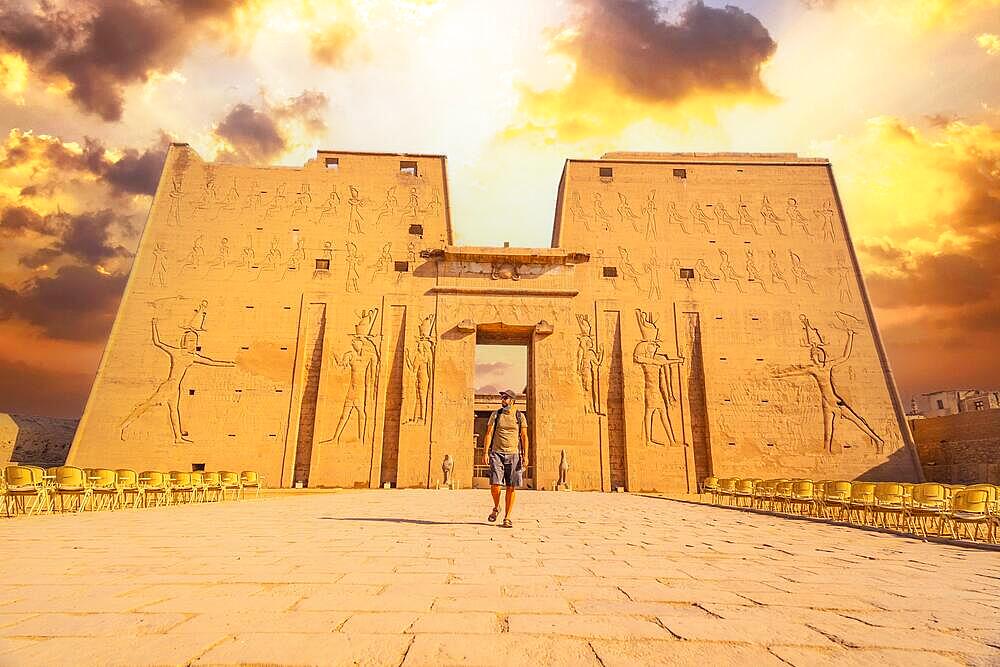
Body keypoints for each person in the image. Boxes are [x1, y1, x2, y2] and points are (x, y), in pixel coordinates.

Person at [483, 389, 528, 528]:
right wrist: (485, 452)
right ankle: (497, 507)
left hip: (513, 454)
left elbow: (524, 437)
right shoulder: (496, 415)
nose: (502, 399)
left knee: (511, 486)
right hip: (497, 453)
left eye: (505, 397)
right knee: (495, 485)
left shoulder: (520, 416)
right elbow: (489, 433)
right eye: (502, 397)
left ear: (512, 400)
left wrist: (525, 456)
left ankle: (507, 517)